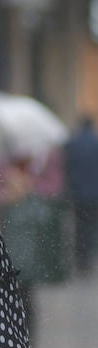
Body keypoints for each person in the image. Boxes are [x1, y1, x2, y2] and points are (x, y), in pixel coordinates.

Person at [63, 115, 98, 275]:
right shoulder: (95, 143)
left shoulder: (72, 143)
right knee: (92, 225)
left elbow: (67, 167)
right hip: (94, 193)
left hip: (77, 192)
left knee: (79, 225)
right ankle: (88, 257)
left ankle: (80, 257)